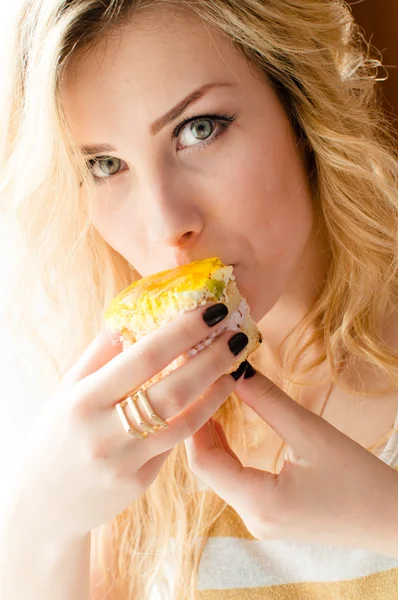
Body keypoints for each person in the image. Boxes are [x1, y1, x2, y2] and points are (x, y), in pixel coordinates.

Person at [1, 0, 398, 598]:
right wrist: (43, 526)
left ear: (300, 107)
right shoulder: (130, 426)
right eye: (107, 164)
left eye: (199, 129)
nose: (166, 224)